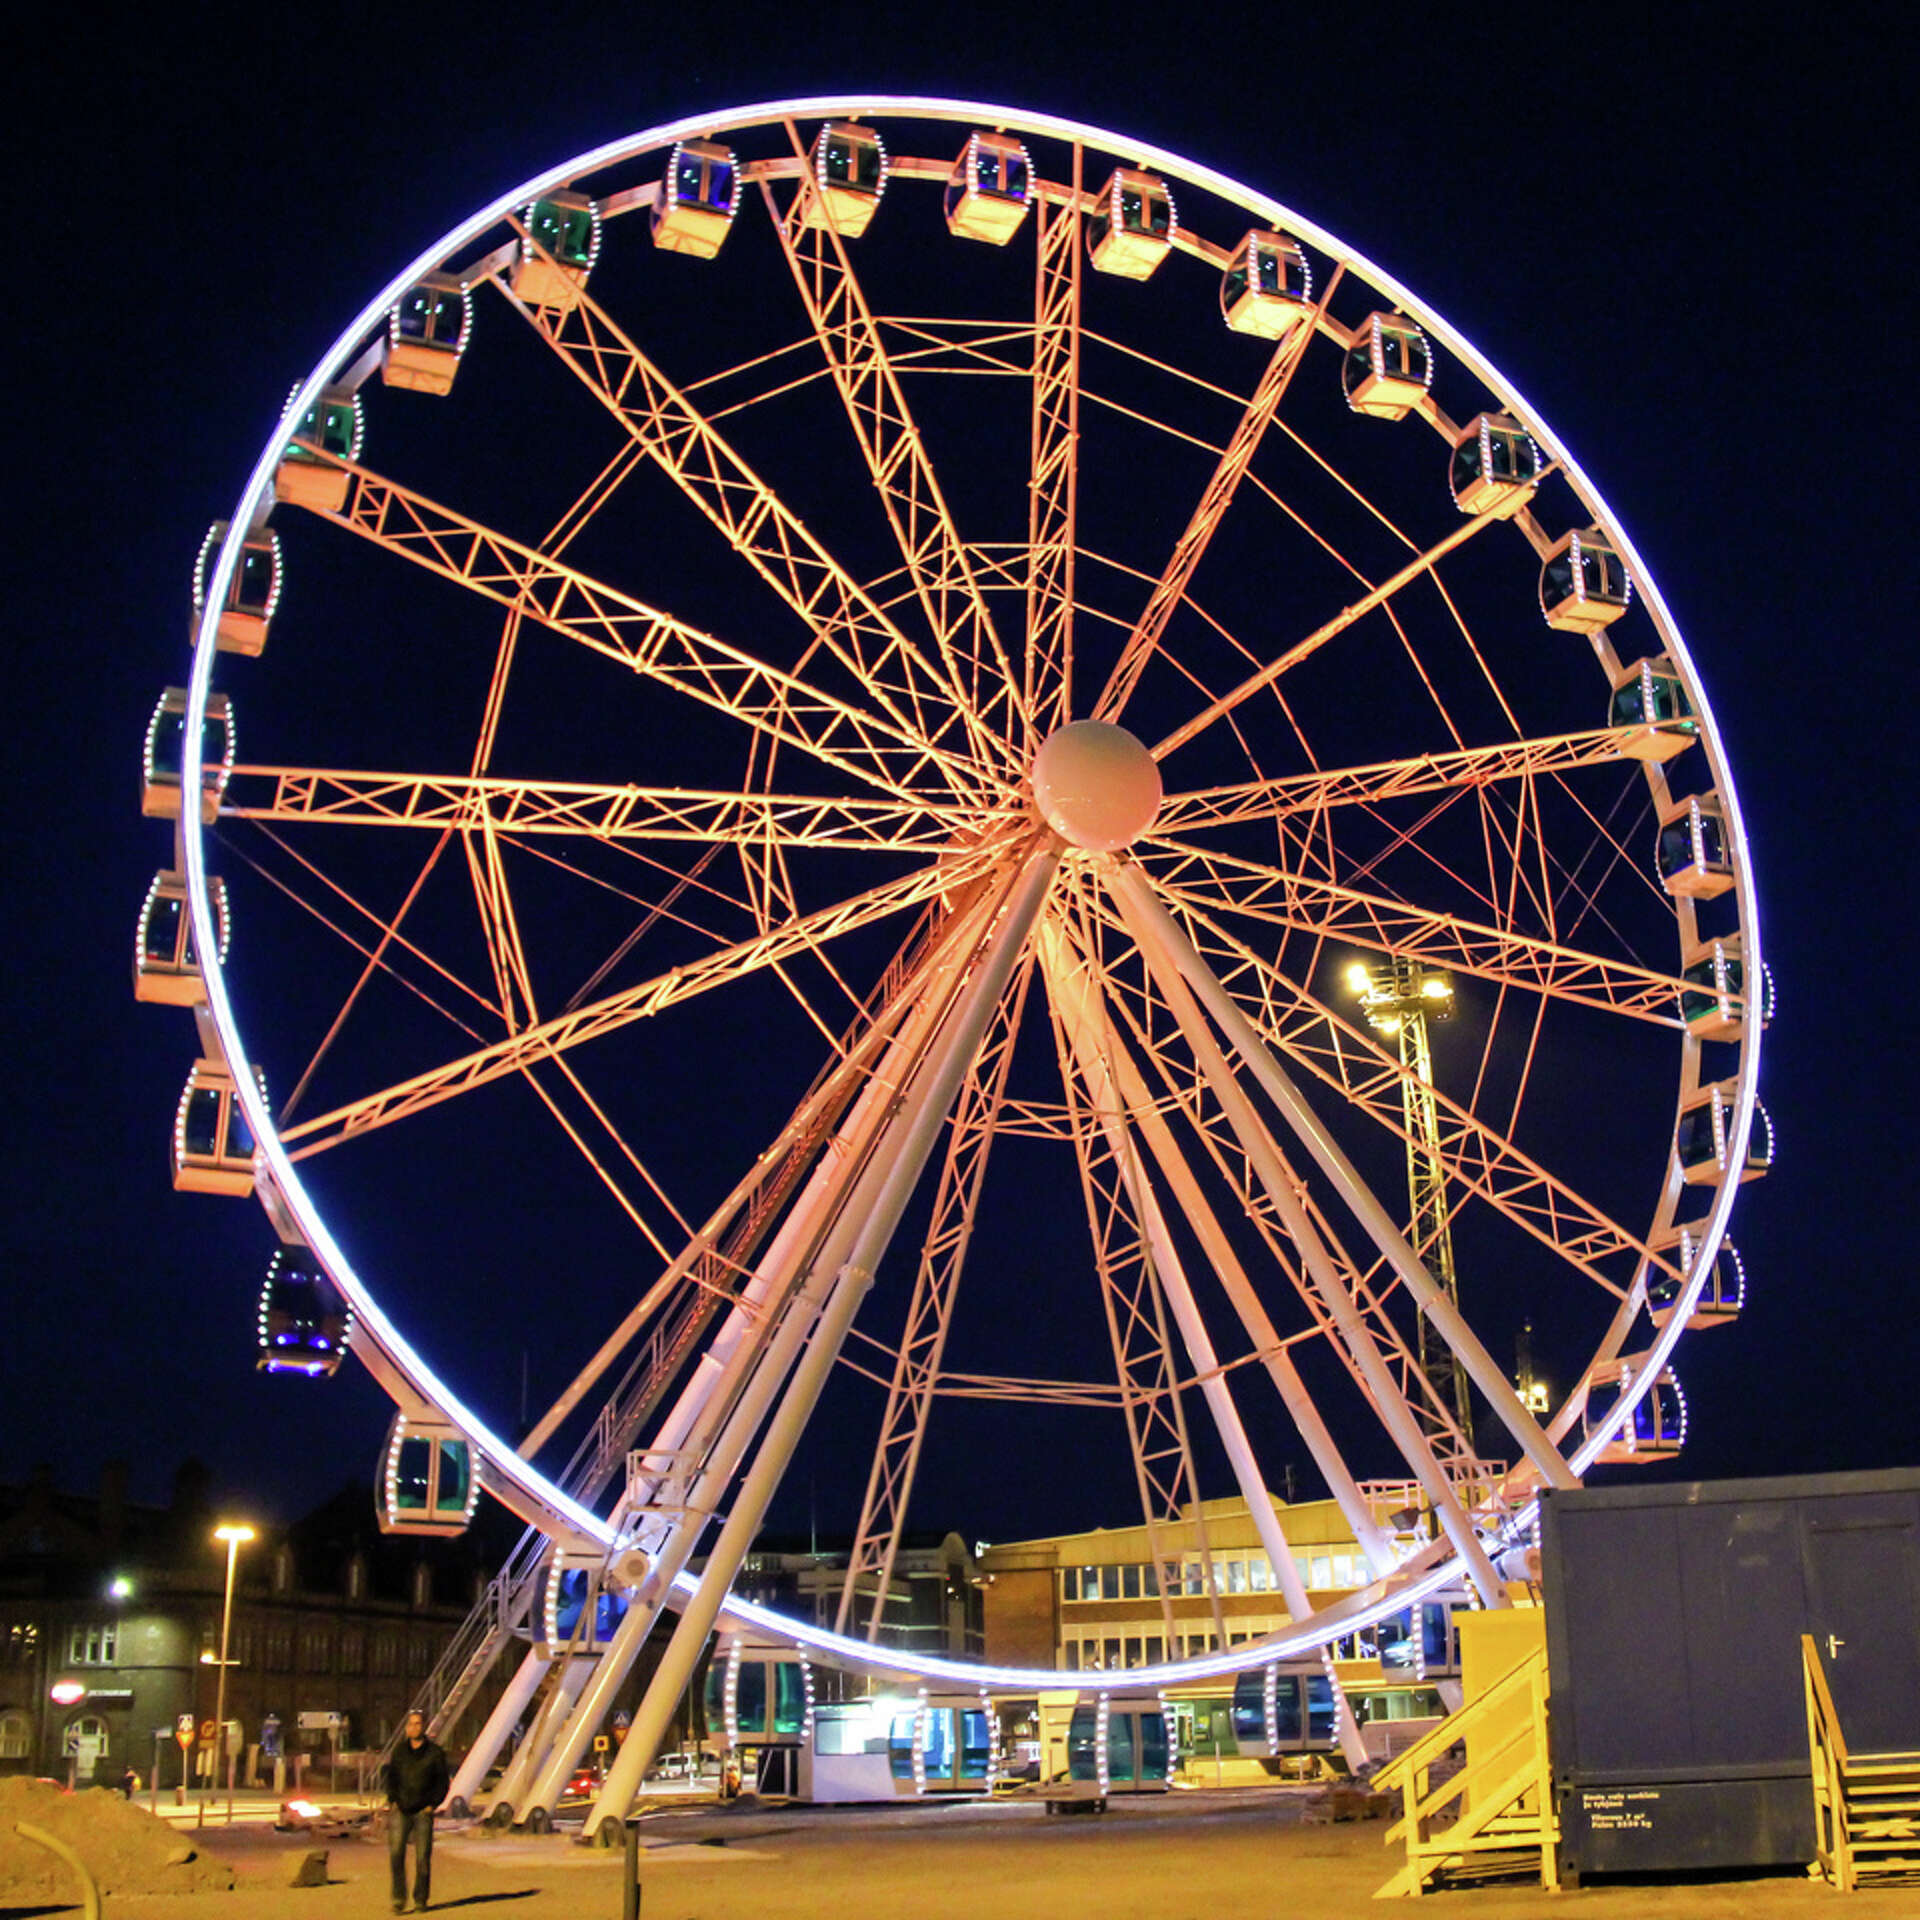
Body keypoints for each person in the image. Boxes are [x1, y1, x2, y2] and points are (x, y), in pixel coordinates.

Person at [383, 1709, 449, 1915]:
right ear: (406, 1728)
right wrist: (392, 1800)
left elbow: (442, 1783)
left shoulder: (435, 1753)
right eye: (411, 1724)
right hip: (401, 1810)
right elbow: (391, 1777)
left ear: (423, 1727)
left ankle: (420, 1899)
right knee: (396, 1855)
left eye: (418, 1724)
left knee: (422, 1858)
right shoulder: (399, 1752)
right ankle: (398, 1899)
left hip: (423, 1812)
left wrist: (432, 1805)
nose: (414, 1727)